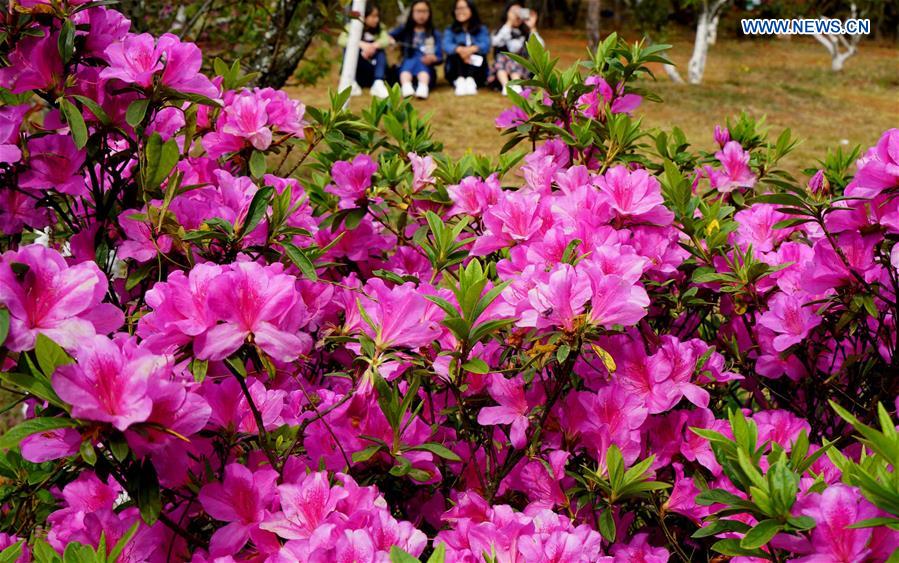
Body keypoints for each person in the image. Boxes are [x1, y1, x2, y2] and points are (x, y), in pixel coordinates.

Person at [338, 3, 394, 98]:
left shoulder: (380, 28)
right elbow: (341, 40)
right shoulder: (351, 26)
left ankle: (378, 82)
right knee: (348, 48)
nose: (376, 19)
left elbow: (386, 39)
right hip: (357, 68)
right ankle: (351, 82)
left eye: (377, 16)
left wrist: (373, 46)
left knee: (380, 51)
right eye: (373, 16)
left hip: (372, 68)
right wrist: (361, 45)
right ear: (364, 16)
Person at [389, 0, 443, 99]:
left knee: (421, 65)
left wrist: (433, 58)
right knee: (408, 64)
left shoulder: (435, 34)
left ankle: (423, 86)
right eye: (418, 11)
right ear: (412, 13)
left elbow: (440, 57)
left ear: (429, 13)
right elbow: (388, 36)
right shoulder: (405, 29)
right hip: (407, 64)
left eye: (424, 11)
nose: (421, 15)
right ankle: (406, 86)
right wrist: (391, 41)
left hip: (426, 68)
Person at [489, 3, 544, 96]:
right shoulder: (501, 30)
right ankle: (506, 86)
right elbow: (495, 42)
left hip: (521, 70)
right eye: (513, 12)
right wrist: (509, 23)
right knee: (502, 57)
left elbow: (540, 47)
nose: (517, 15)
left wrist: (532, 27)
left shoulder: (526, 32)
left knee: (516, 58)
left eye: (519, 12)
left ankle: (516, 84)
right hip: (501, 69)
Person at [442, 0, 490, 96]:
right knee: (459, 47)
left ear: (471, 9)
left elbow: (486, 45)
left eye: (463, 8)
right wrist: (460, 50)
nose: (460, 11)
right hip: (455, 68)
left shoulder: (481, 29)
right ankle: (460, 80)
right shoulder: (450, 30)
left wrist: (470, 50)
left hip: (477, 69)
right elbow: (446, 45)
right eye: (458, 8)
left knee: (476, 50)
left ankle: (470, 80)